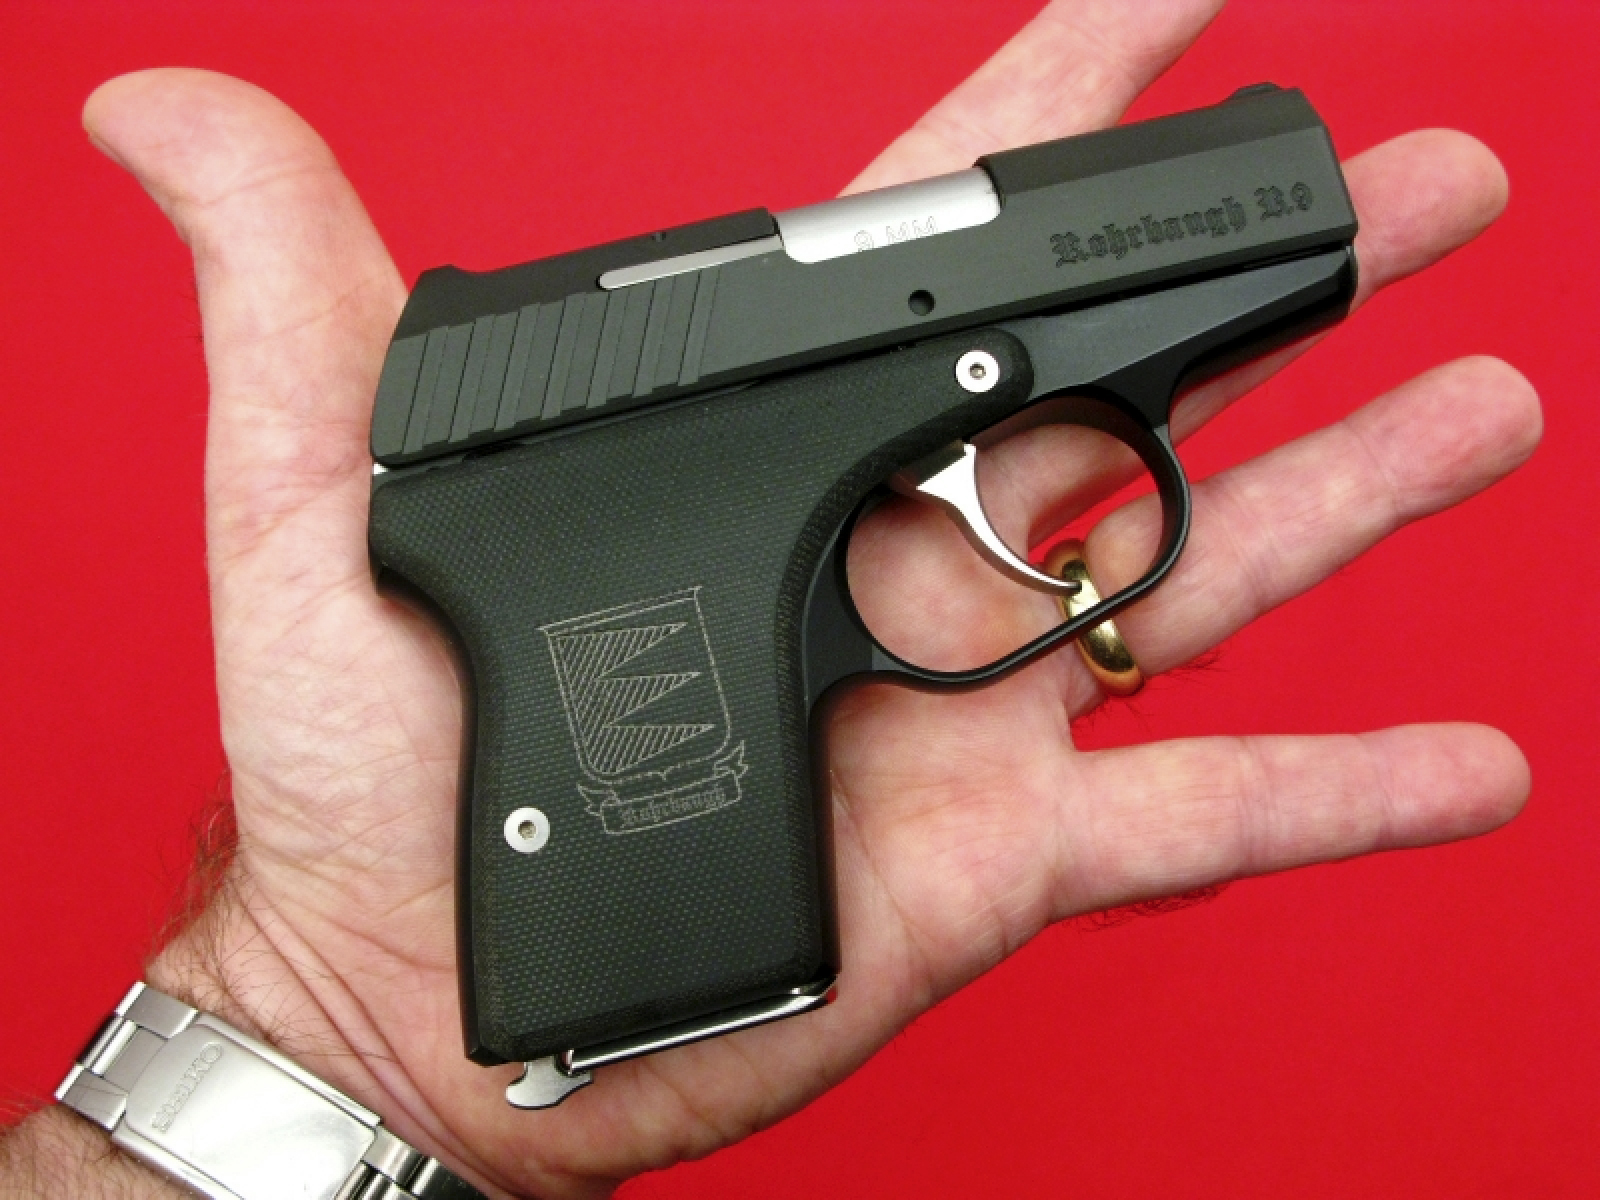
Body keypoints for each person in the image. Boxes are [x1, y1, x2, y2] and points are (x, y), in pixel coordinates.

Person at [0, 0, 1540, 1194]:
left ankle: (625, 978)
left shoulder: (554, 398)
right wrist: (347, 1038)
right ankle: (634, 970)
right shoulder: (580, 436)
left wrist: (332, 1050)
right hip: (612, 453)